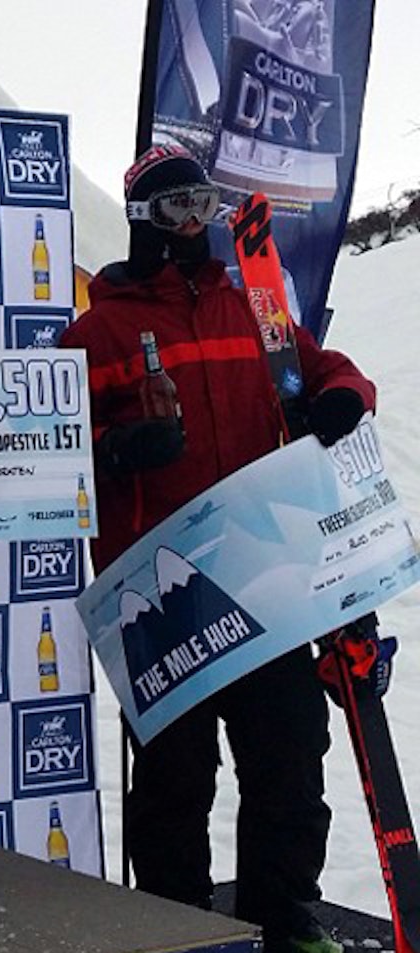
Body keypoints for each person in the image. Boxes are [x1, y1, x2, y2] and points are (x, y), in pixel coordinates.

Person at [60, 143, 377, 953]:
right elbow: (52, 450)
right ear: (141, 220)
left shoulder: (252, 310)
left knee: (289, 756)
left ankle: (284, 914)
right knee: (174, 780)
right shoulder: (95, 332)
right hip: (159, 593)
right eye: (174, 209)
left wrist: (340, 401)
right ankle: (175, 927)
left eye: (203, 204)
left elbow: (332, 369)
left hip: (263, 577)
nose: (194, 223)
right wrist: (120, 445)